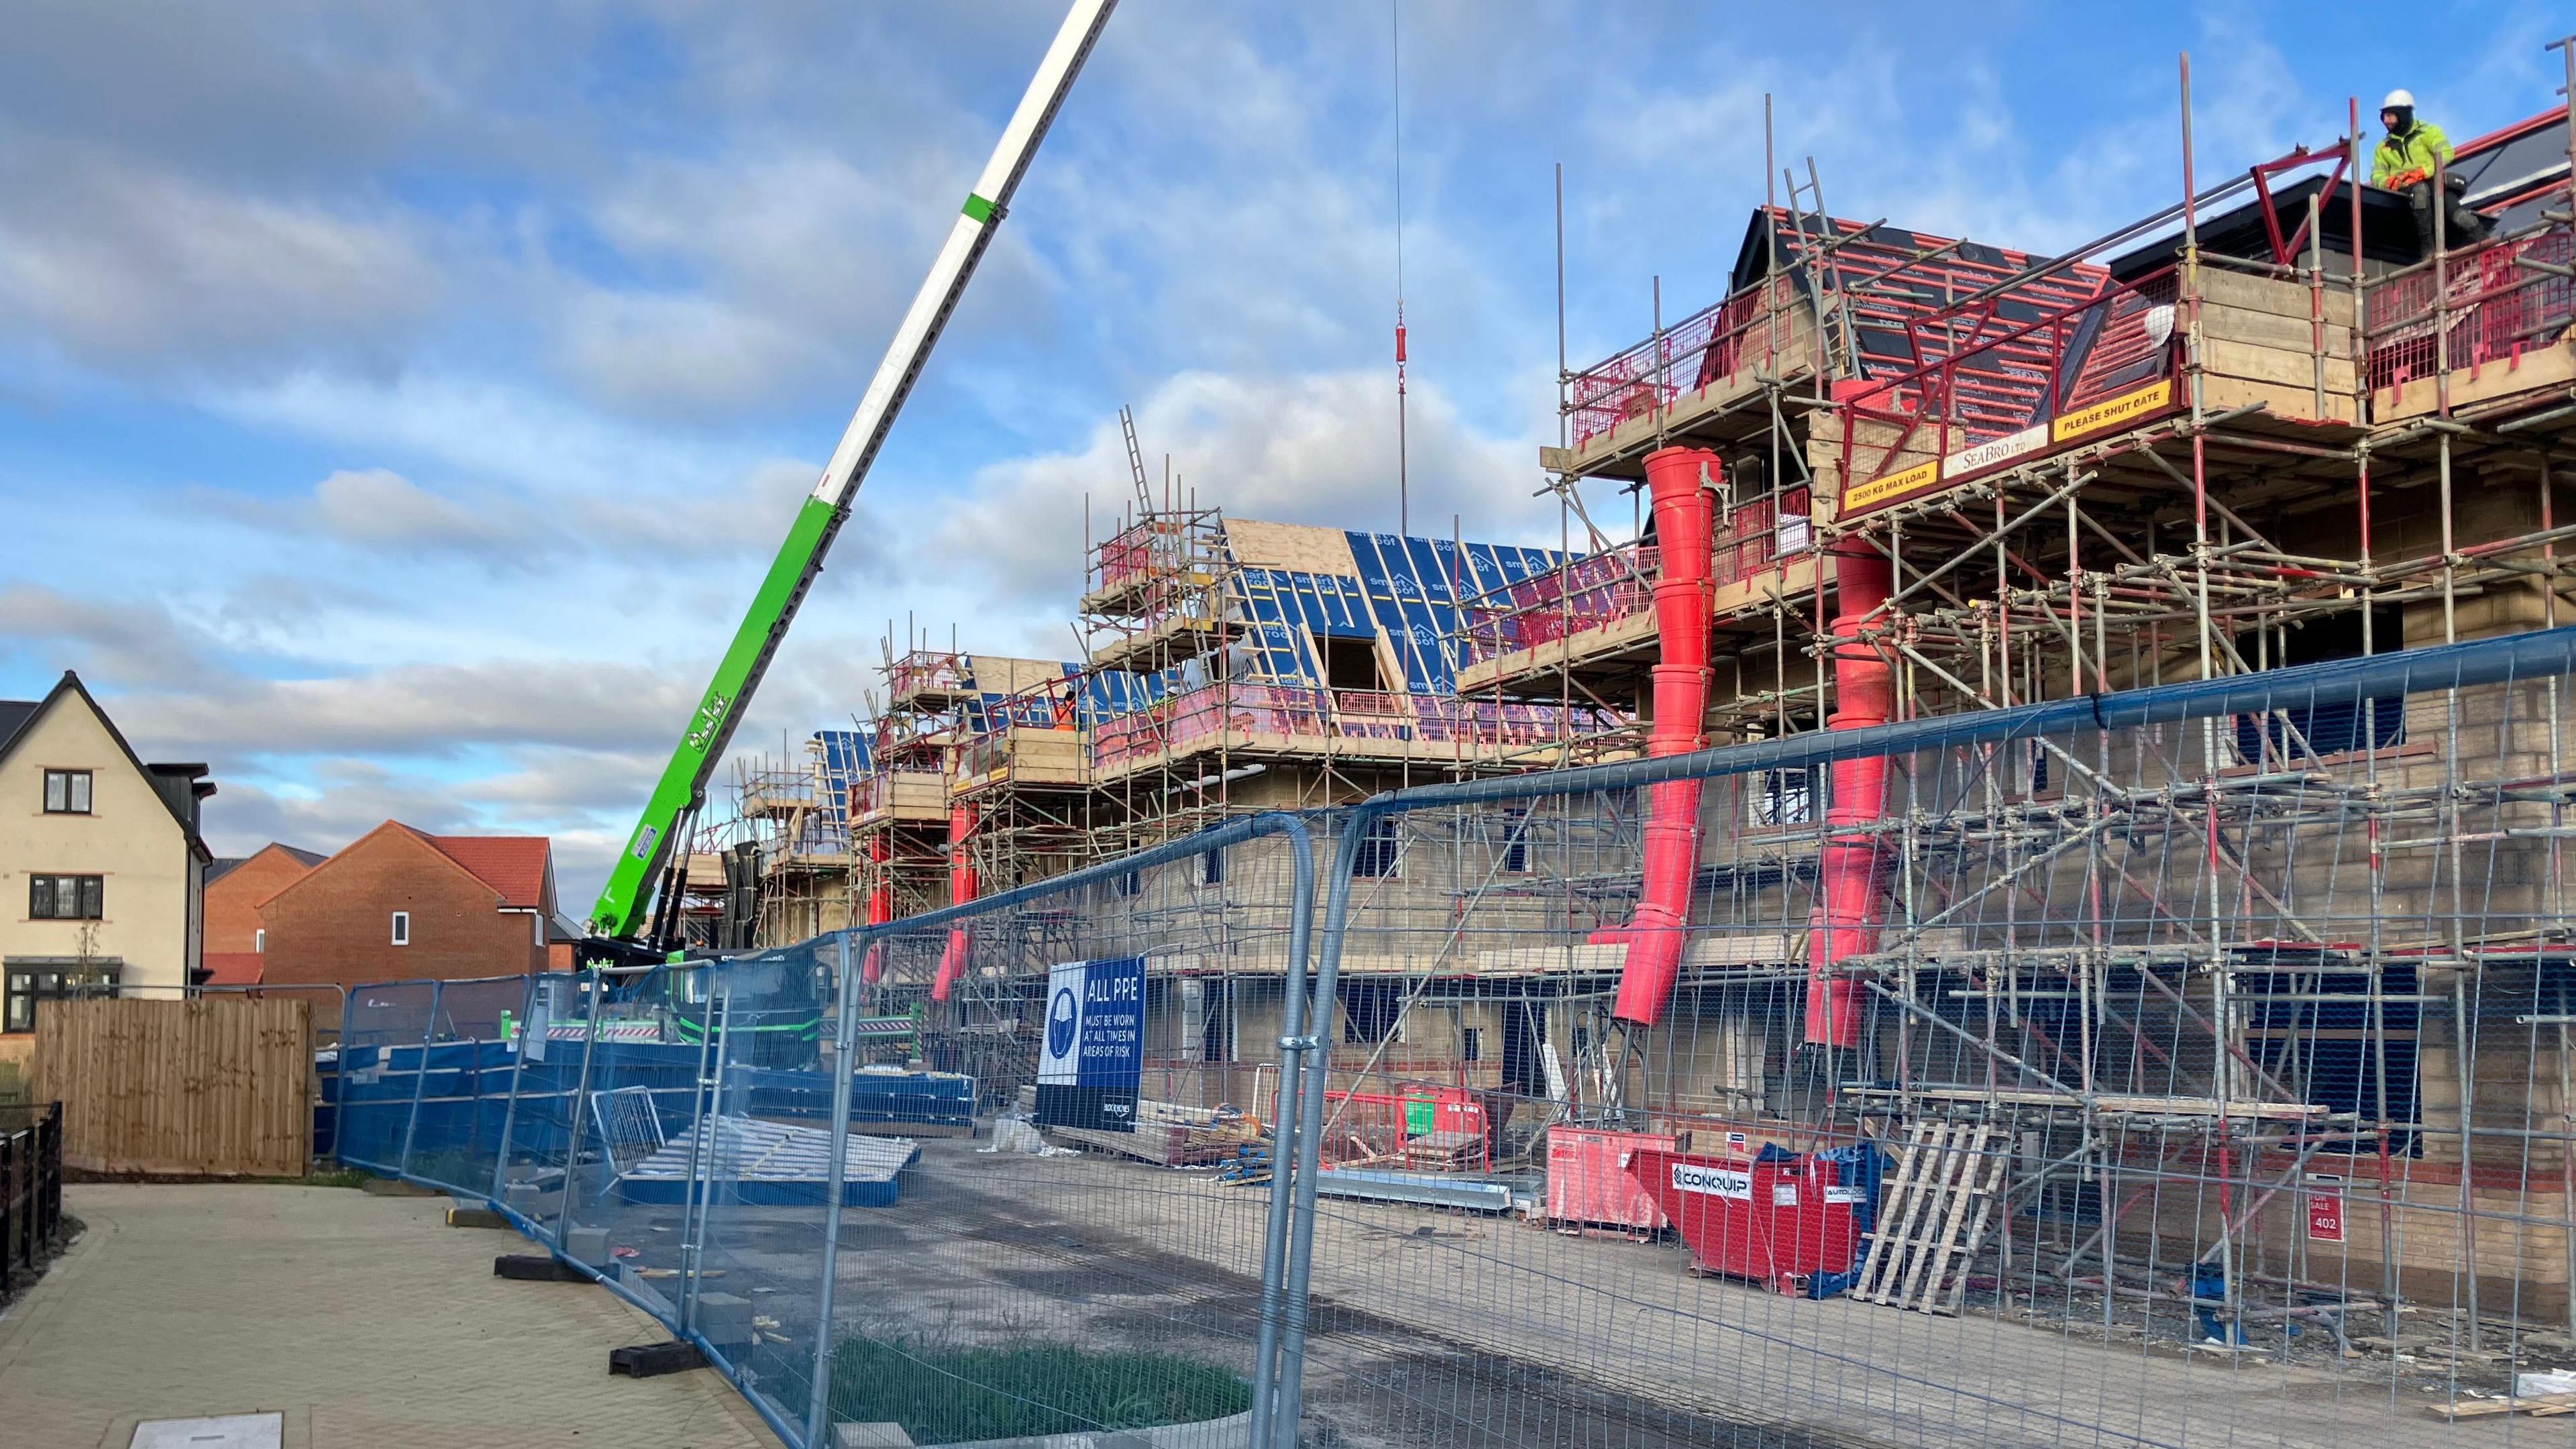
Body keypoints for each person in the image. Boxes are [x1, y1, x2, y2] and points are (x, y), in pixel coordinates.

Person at [2373, 89, 2488, 253]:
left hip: (2433, 182)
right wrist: (2388, 182)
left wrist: (2423, 172)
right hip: (2405, 189)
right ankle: (2428, 250)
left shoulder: (2429, 132)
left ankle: (2485, 241)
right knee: (2420, 191)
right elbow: (2377, 175)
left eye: (2390, 115)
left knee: (2456, 212)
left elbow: (2447, 153)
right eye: (2383, 116)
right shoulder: (2382, 148)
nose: (2386, 121)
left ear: (2404, 114)